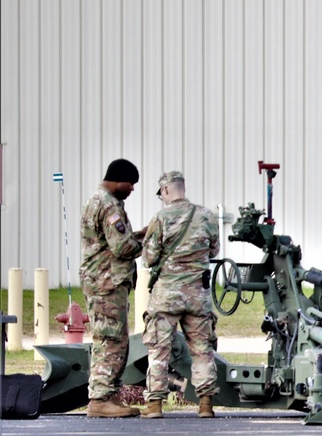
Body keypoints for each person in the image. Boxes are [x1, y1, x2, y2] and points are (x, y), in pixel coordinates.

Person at [141, 171, 220, 418]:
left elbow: (149, 258)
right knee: (202, 349)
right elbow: (214, 250)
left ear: (165, 190)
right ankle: (205, 404)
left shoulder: (161, 218)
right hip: (198, 295)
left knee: (159, 349)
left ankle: (155, 405)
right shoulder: (207, 215)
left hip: (167, 296)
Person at [80, 158, 147, 418]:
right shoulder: (108, 206)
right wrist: (149, 242)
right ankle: (99, 400)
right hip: (106, 283)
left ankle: (107, 396)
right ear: (118, 180)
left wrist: (139, 234)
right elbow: (122, 248)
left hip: (102, 281)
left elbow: (113, 242)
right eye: (130, 184)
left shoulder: (99, 200)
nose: (132, 189)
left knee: (111, 338)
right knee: (111, 340)